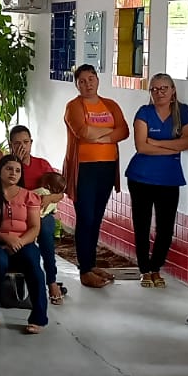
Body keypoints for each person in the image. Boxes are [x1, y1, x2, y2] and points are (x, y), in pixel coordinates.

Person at [126, 73, 188, 287]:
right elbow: (142, 147)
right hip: (141, 177)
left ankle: (156, 268)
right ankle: (144, 270)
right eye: (154, 89)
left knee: (165, 229)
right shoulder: (144, 112)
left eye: (164, 88)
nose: (159, 93)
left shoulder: (183, 112)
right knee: (142, 225)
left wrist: (156, 143)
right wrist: (173, 147)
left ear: (173, 90)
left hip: (169, 179)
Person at [62, 65, 130, 288]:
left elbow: (124, 131)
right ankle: (85, 270)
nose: (88, 84)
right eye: (82, 81)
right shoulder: (73, 106)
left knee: (97, 218)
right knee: (86, 218)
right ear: (77, 85)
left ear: (97, 80)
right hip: (84, 169)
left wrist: (101, 137)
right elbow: (83, 132)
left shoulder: (110, 104)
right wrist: (110, 134)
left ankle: (91, 265)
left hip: (107, 168)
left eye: (91, 79)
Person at [0, 155, 49, 333]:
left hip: (23, 243)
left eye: (17, 170)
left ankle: (38, 317)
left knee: (34, 265)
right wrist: (6, 239)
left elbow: (35, 228)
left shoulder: (30, 197)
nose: (13, 173)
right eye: (9, 169)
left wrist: (19, 242)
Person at [9, 126, 66, 305]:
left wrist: (49, 198)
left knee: (46, 231)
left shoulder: (42, 164)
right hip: (16, 213)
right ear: (11, 145)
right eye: (17, 143)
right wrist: (17, 164)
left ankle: (52, 281)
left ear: (31, 143)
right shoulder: (8, 166)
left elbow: (59, 193)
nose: (22, 147)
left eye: (25, 142)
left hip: (40, 212)